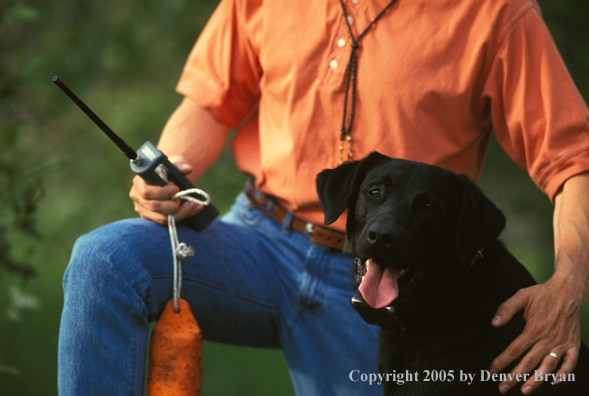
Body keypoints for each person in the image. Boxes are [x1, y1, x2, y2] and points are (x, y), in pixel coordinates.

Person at [58, 0, 589, 395]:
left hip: (395, 284)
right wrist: (170, 172)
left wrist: (569, 281)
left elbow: (573, 161)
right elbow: (211, 103)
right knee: (106, 259)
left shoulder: (497, 13)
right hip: (257, 242)